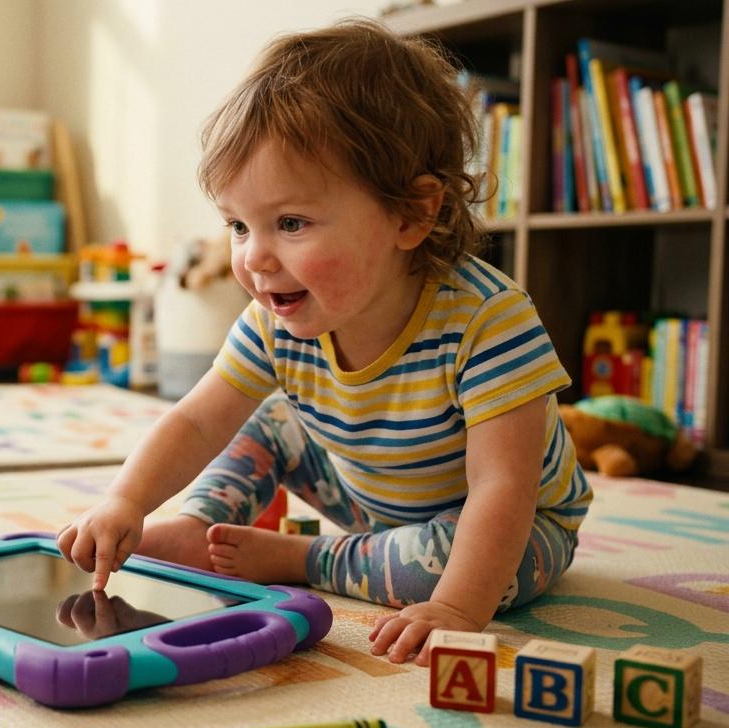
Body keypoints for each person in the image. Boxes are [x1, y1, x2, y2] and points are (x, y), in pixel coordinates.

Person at [57, 18, 591, 665]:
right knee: (264, 419)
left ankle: (306, 558)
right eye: (237, 225)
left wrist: (456, 609)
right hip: (368, 498)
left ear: (411, 214)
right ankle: (202, 528)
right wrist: (126, 501)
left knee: (444, 569)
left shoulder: (489, 321)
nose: (255, 257)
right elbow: (198, 422)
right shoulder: (275, 321)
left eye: (290, 223)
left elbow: (504, 489)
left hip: (512, 527)